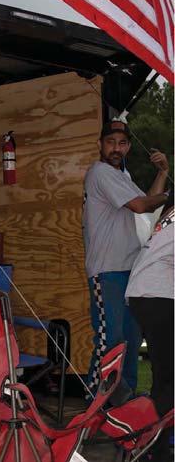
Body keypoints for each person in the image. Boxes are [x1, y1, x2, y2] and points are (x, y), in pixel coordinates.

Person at [82, 119, 169, 402]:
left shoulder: (122, 176)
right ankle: (95, 403)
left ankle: (125, 402)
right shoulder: (100, 172)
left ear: (129, 147)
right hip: (107, 271)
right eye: (110, 142)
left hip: (129, 271)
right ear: (99, 145)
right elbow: (142, 205)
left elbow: (146, 202)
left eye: (121, 143)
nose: (116, 148)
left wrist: (163, 172)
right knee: (110, 340)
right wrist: (169, 196)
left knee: (130, 340)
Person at [126, 188, 174, 462]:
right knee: (169, 379)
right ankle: (155, 447)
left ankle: (155, 445)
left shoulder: (170, 213)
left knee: (165, 375)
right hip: (159, 295)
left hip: (146, 294)